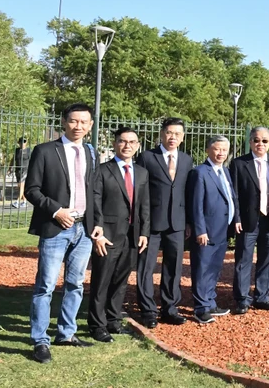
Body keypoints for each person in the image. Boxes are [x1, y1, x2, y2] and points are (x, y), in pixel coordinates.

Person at [24, 102, 97, 363]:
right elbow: (32, 190)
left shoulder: (91, 152)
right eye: (74, 121)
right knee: (45, 286)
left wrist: (95, 222)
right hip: (56, 227)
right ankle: (40, 340)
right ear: (64, 122)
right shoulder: (44, 151)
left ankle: (66, 333)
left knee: (75, 284)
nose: (78, 126)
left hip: (84, 230)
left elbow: (93, 190)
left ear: (90, 125)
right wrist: (57, 211)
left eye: (84, 122)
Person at [88, 127, 150, 343]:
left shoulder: (141, 172)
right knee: (101, 281)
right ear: (115, 144)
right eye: (123, 141)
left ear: (138, 145)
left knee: (121, 280)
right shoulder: (103, 170)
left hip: (132, 237)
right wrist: (98, 229)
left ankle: (113, 320)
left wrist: (144, 233)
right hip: (108, 235)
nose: (127, 146)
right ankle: (97, 324)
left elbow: (144, 205)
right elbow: (95, 200)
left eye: (132, 142)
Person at [135, 117, 194, 329]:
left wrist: (188, 222)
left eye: (177, 134)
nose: (173, 137)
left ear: (183, 137)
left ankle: (170, 308)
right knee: (146, 268)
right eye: (169, 133)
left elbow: (188, 193)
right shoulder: (147, 157)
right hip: (150, 223)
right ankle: (148, 310)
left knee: (174, 267)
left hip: (177, 223)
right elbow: (139, 191)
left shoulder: (187, 160)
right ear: (162, 134)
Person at [231, 127, 269, 313]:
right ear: (250, 142)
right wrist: (236, 218)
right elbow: (234, 194)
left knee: (267, 260)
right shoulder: (239, 163)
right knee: (243, 260)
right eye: (256, 140)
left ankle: (262, 297)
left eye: (264, 141)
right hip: (247, 220)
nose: (260, 144)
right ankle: (242, 298)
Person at [188, 135, 236, 324]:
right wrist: (200, 230)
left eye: (224, 150)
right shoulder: (200, 172)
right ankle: (200, 308)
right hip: (206, 231)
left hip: (222, 230)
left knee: (214, 269)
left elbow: (231, 198)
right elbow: (196, 204)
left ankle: (210, 301)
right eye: (217, 149)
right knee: (202, 268)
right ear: (209, 150)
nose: (221, 153)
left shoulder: (225, 171)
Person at [9, 136, 30, 207]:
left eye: (24, 142)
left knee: (21, 185)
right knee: (19, 187)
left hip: (25, 170)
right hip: (17, 170)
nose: (22, 143)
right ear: (18, 143)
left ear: (26, 143)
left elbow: (33, 160)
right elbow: (12, 160)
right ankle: (24, 201)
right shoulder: (17, 150)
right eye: (21, 142)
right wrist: (10, 168)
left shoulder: (29, 151)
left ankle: (17, 201)